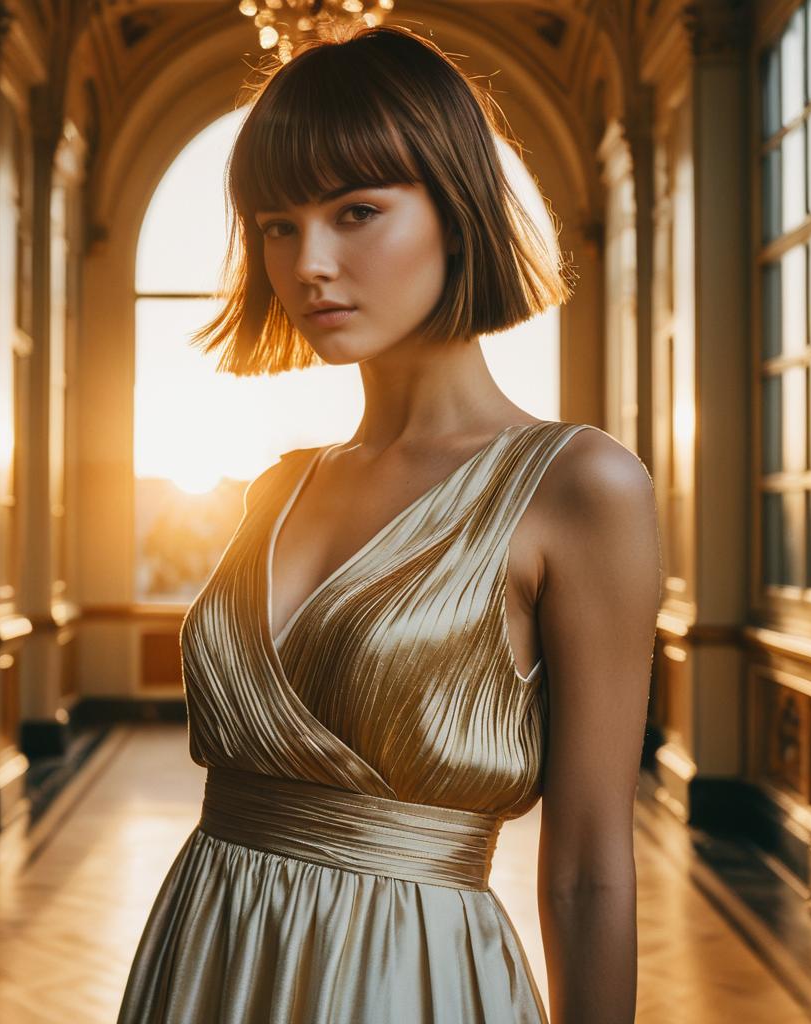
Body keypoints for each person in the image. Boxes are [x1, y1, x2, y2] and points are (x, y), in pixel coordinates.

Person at [117, 22, 660, 1024]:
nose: (308, 262)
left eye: (354, 211)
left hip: (410, 979)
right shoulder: (274, 489)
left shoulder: (581, 487)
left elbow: (589, 870)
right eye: (276, 225)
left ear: (455, 213)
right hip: (204, 960)